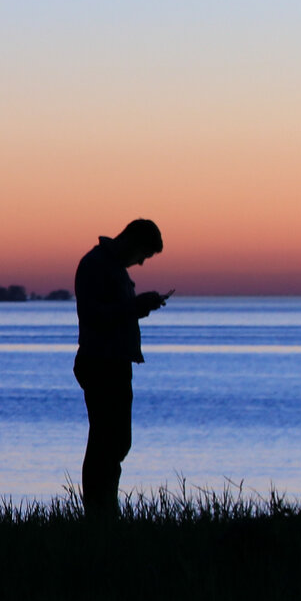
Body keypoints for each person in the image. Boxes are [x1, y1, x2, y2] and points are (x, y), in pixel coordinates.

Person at [73, 218, 169, 518]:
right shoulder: (95, 265)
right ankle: (99, 511)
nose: (141, 263)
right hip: (101, 363)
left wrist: (140, 307)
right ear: (131, 241)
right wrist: (135, 306)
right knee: (105, 440)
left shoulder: (113, 269)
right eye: (143, 255)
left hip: (115, 363)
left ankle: (106, 507)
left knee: (117, 440)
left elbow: (114, 314)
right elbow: (93, 314)